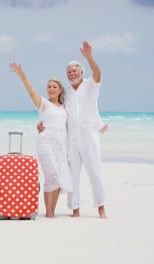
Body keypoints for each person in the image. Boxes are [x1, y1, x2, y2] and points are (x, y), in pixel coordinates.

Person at [38, 41, 108, 218]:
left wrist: (89, 57)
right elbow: (54, 109)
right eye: (69, 72)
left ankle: (101, 207)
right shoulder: (66, 91)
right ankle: (75, 209)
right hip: (71, 139)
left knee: (95, 172)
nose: (71, 74)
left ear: (82, 72)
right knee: (72, 174)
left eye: (75, 71)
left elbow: (98, 73)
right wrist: (41, 125)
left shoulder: (91, 84)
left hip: (89, 134)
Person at [9, 62, 73, 218]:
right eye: (49, 86)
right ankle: (49, 212)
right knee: (51, 175)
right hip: (45, 141)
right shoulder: (43, 103)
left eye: (54, 86)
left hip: (60, 145)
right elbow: (31, 92)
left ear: (60, 90)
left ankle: (53, 210)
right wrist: (22, 75)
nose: (51, 88)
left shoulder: (65, 107)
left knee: (59, 177)